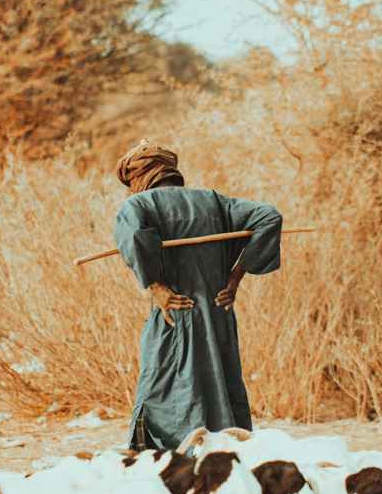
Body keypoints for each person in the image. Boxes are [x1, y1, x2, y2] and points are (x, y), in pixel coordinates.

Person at [114, 138, 283, 451]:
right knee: (220, 382)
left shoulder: (138, 205)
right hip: (218, 313)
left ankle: (177, 458)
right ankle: (223, 452)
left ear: (139, 177)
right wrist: (235, 276)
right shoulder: (214, 201)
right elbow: (269, 216)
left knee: (164, 386)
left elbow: (133, 235)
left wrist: (156, 287)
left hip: (174, 313)